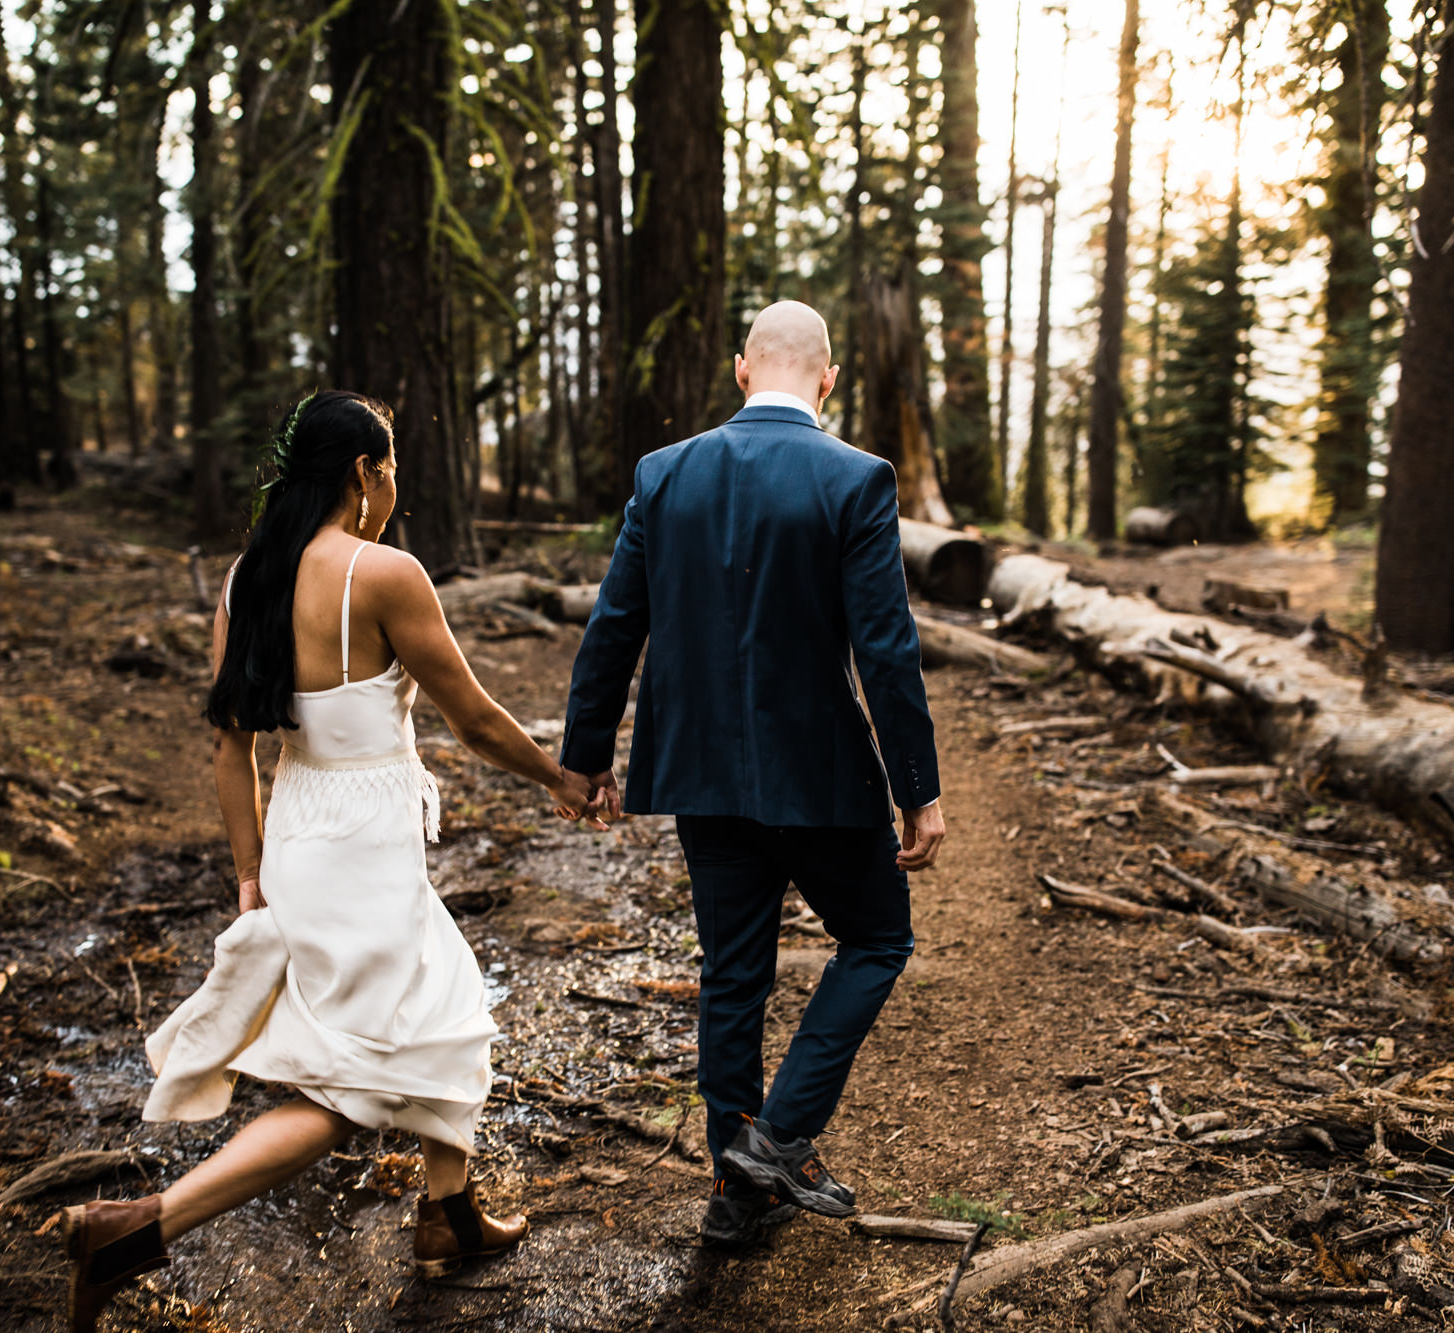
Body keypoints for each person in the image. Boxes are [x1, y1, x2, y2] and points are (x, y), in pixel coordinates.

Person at [56, 391, 602, 1331]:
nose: (395, 492)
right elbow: (471, 717)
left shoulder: (247, 578)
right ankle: (138, 1226)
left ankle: (449, 1214)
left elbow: (232, 747)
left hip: (304, 835)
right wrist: (562, 776)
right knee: (345, 1088)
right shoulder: (385, 573)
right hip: (365, 843)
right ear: (364, 473)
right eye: (392, 473)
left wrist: (249, 878)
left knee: (448, 1006)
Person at [559, 301, 946, 1247]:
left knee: (733, 974)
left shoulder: (665, 473)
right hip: (822, 776)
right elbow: (886, 648)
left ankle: (735, 1196)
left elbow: (616, 624)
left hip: (699, 773)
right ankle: (776, 1138)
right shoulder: (855, 478)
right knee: (878, 940)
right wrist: (916, 788)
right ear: (828, 380)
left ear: (741, 371)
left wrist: (584, 756)